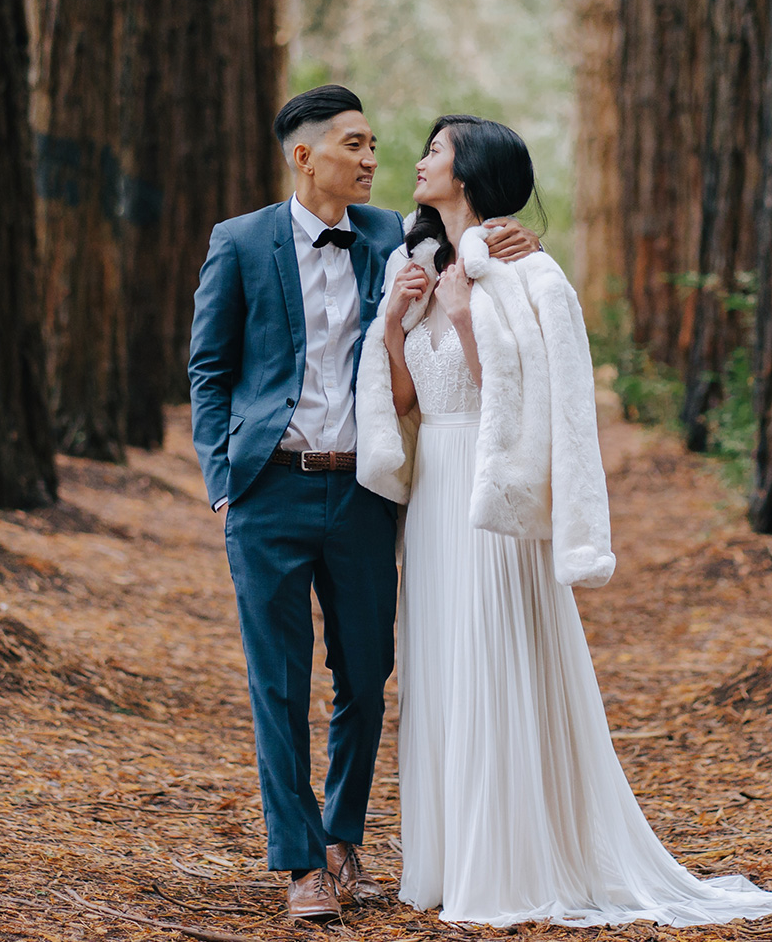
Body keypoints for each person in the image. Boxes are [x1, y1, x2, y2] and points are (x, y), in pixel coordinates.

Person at [356, 115, 772, 928]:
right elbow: (403, 402)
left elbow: (525, 401)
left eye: (437, 149)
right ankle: (450, 857)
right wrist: (398, 322)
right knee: (442, 665)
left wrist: (467, 311)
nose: (420, 160)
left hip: (493, 498)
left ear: (469, 173)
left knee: (496, 655)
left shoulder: (523, 273)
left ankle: (509, 862)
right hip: (435, 490)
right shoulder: (414, 265)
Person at [186, 86, 540, 923]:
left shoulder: (390, 232)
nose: (374, 157)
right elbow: (208, 368)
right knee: (276, 680)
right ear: (305, 155)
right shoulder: (238, 242)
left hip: (363, 492)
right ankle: (300, 860)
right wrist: (221, 477)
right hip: (268, 486)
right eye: (355, 143)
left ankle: (343, 834)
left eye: (377, 143)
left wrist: (504, 232)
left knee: (366, 676)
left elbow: (467, 245)